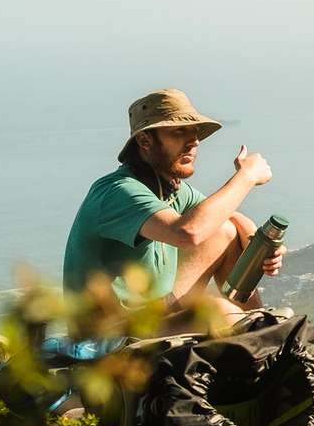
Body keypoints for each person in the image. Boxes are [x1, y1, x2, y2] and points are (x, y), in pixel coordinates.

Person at [63, 88, 283, 329]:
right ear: (145, 140)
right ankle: (260, 332)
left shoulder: (167, 187)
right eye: (179, 131)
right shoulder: (118, 192)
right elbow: (188, 232)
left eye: (195, 132)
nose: (194, 142)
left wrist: (259, 247)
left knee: (226, 231)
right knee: (217, 311)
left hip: (149, 315)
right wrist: (246, 177)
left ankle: (264, 329)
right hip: (107, 337)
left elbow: (225, 218)